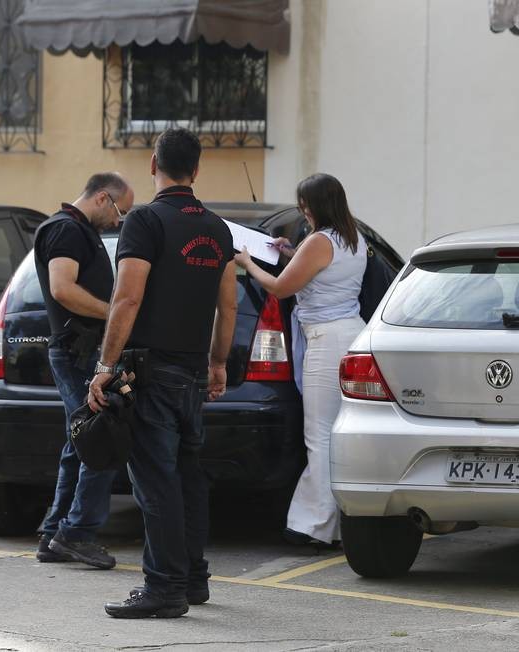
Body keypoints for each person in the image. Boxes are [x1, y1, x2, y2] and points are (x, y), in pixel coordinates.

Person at [88, 128, 237, 619]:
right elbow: (228, 307)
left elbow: (126, 298)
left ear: (154, 165)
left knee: (156, 484)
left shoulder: (145, 221)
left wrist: (105, 367)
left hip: (151, 374)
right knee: (188, 479)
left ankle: (164, 587)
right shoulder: (218, 229)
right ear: (196, 169)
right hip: (193, 374)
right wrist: (218, 363)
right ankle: (193, 579)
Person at [233, 173, 367, 547]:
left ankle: (316, 526)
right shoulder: (352, 237)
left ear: (316, 205)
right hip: (349, 333)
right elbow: (321, 271)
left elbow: (280, 288)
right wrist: (290, 254)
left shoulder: (320, 241)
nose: (303, 211)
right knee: (335, 434)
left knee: (319, 435)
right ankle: (333, 522)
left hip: (326, 340)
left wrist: (247, 262)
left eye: (304, 205)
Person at [33, 172, 135, 568]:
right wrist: (113, 313)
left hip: (79, 350)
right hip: (77, 351)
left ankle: (54, 533)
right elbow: (62, 288)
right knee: (100, 438)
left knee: (80, 441)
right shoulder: (66, 230)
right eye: (119, 212)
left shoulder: (76, 230)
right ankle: (76, 534)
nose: (118, 221)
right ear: (103, 198)